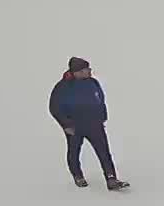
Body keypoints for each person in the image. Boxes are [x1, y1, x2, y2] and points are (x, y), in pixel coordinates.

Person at [49, 57, 128, 190]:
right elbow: (54, 108)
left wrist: (102, 115)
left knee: (104, 153)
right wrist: (66, 125)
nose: (90, 71)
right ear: (77, 72)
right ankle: (78, 175)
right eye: (86, 69)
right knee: (74, 152)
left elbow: (100, 98)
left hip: (95, 124)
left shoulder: (93, 82)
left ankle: (111, 179)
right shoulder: (62, 87)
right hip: (75, 127)